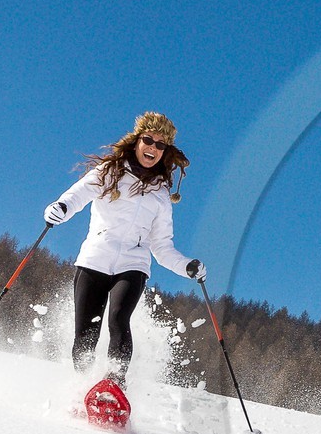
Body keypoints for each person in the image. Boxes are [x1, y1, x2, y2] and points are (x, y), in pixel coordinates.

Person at [41, 112, 203, 386]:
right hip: (94, 259)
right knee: (85, 333)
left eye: (160, 145)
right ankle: (82, 388)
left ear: (166, 152)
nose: (152, 147)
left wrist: (187, 267)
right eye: (148, 140)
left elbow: (162, 248)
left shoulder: (161, 196)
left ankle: (113, 386)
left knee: (118, 319)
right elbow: (78, 195)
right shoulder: (109, 172)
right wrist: (60, 209)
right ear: (137, 141)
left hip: (133, 265)